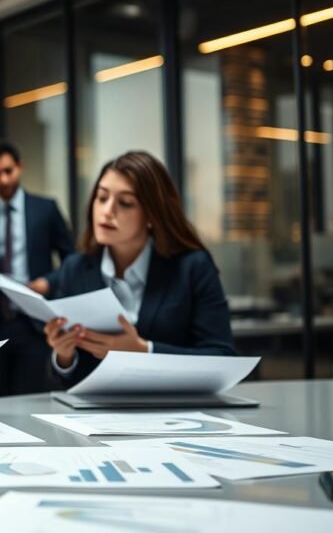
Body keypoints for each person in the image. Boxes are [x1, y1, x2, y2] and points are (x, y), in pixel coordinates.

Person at [32, 151, 236, 386]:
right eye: (101, 197)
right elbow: (63, 379)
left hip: (176, 412)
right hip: (95, 418)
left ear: (151, 215)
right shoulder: (75, 268)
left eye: (125, 203)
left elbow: (223, 359)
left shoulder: (192, 267)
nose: (107, 211)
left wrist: (143, 350)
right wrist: (63, 355)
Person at [0, 141, 73, 397]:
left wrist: (48, 282)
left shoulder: (46, 209)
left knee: (34, 399)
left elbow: (72, 261)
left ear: (20, 167)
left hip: (36, 324)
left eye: (8, 171)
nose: (3, 179)